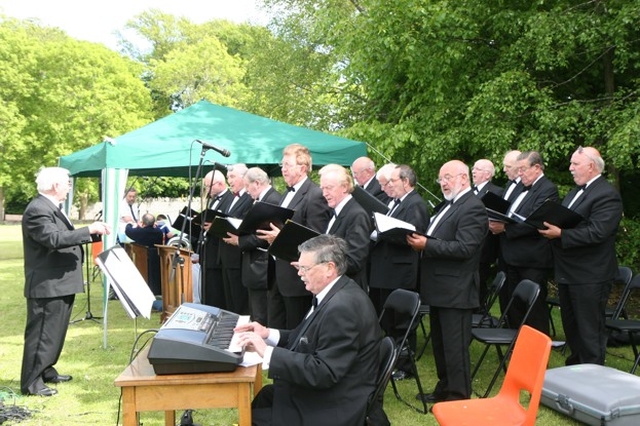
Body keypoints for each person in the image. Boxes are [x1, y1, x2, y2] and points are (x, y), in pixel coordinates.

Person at [235, 234, 382, 426]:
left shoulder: (342, 307)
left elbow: (323, 372)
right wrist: (267, 334)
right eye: (299, 267)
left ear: (329, 268)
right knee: (264, 398)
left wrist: (266, 351)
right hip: (329, 394)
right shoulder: (337, 292)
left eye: (305, 268)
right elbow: (306, 337)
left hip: (333, 405)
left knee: (255, 416)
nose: (299, 273)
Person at [21, 167, 111, 397]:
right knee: (42, 333)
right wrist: (88, 229)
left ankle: (46, 368)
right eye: (67, 183)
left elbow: (64, 236)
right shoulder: (38, 209)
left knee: (55, 331)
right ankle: (31, 381)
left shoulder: (51, 207)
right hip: (47, 283)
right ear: (54, 186)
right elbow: (53, 238)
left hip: (60, 281)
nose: (69, 187)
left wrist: (93, 233)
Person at [407, 160, 488, 403]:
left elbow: (465, 248)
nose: (443, 183)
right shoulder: (449, 204)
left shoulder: (472, 207)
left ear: (464, 178)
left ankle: (458, 396)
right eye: (441, 178)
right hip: (440, 286)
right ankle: (444, 389)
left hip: (456, 288)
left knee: (455, 348)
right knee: (441, 346)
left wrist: (427, 244)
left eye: (448, 177)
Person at [540, 146, 623, 365]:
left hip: (590, 274)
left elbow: (598, 232)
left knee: (589, 330)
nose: (570, 168)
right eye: (571, 163)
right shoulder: (575, 192)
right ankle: (576, 370)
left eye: (575, 164)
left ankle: (593, 375)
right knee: (572, 326)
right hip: (568, 271)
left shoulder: (606, 195)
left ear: (592, 166)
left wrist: (561, 234)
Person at [257, 143, 331, 329]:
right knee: (276, 329)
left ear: (303, 168)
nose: (283, 169)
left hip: (297, 278)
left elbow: (316, 240)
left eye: (287, 165)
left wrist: (280, 238)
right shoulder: (284, 195)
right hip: (277, 274)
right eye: (282, 165)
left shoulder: (314, 195)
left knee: (295, 330)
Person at [368, 164, 429, 381]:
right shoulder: (394, 202)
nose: (389, 186)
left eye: (393, 181)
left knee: (402, 322)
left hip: (400, 270)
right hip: (384, 270)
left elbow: (413, 235)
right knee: (388, 321)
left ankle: (405, 366)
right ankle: (391, 360)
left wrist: (382, 233)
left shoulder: (416, 203)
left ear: (406, 181)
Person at [489, 151, 558, 335]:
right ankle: (516, 342)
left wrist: (505, 229)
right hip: (512, 256)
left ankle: (536, 347)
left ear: (537, 168)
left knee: (533, 307)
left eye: (523, 169)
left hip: (532, 259)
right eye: (518, 170)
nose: (520, 174)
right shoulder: (521, 188)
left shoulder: (547, 189)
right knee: (515, 304)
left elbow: (536, 222)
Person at [227, 166, 281, 324]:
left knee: (261, 315)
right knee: (256, 313)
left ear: (257, 183)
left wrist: (240, 241)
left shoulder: (273, 200)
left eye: (247, 186)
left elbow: (266, 234)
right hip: (256, 266)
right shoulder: (261, 199)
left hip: (263, 266)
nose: (247, 191)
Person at [319, 164, 372, 289]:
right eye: (323, 188)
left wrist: (319, 266)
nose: (324, 193)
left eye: (329, 188)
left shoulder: (356, 214)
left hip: (348, 289)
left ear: (344, 187)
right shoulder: (337, 212)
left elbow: (354, 260)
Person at [220, 164, 253, 314]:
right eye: (228, 178)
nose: (229, 181)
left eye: (232, 177)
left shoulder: (249, 197)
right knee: (230, 301)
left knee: (240, 302)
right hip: (227, 255)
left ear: (244, 177)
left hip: (239, 256)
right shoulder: (232, 198)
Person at [471, 159, 504, 309]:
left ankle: (479, 311)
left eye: (477, 169)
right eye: (473, 169)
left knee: (480, 281)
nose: (473, 172)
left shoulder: (497, 192)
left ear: (487, 174)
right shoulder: (469, 191)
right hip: (469, 243)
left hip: (485, 245)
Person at [199, 169, 233, 308]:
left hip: (218, 254)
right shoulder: (212, 200)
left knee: (216, 294)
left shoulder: (229, 200)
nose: (207, 189)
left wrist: (214, 226)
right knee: (208, 293)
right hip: (207, 254)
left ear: (219, 184)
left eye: (208, 186)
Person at [124, 212, 164, 296]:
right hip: (156, 258)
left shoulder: (140, 232)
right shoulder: (158, 232)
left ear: (143, 222)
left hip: (142, 259)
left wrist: (130, 224)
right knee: (155, 278)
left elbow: (128, 231)